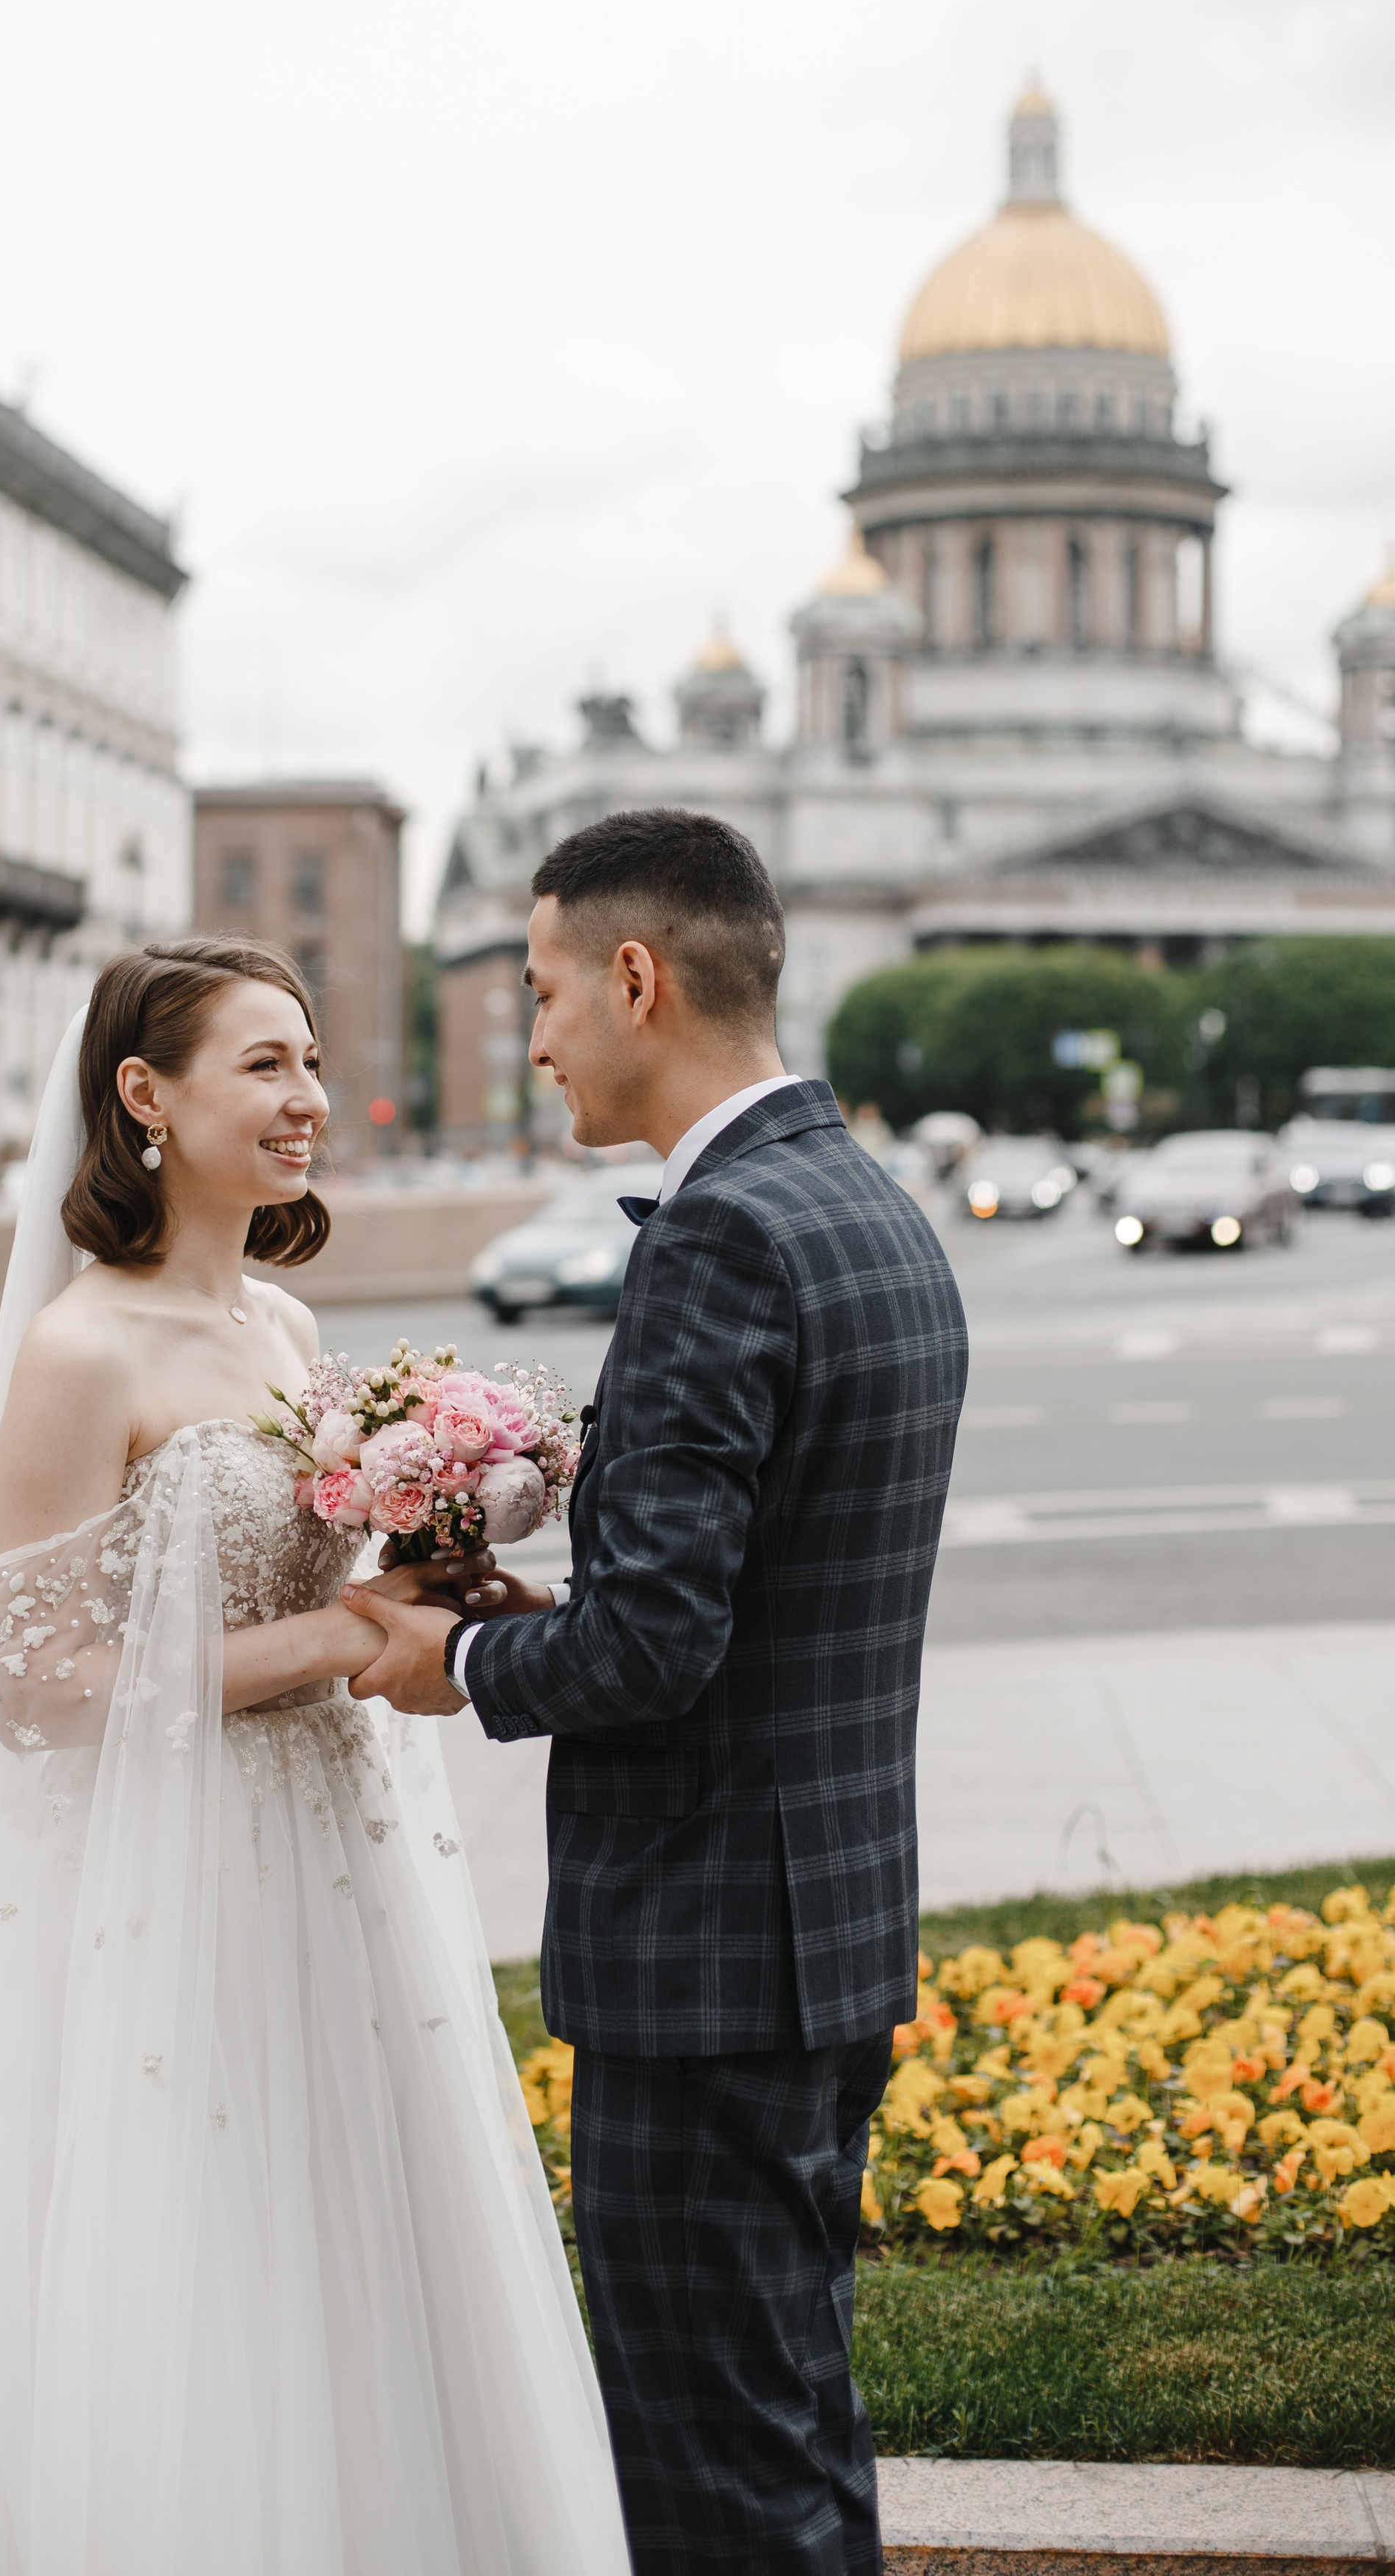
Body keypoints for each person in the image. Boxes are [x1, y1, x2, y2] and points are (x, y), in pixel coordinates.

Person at [0, 940, 629, 2576]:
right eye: (264, 1065)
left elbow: (302, 1580)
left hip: (329, 1858)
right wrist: (334, 1639)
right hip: (164, 1874)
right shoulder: (80, 1349)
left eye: (309, 1060)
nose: (308, 1097)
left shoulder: (285, 1323)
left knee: (352, 2234)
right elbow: (31, 1687)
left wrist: (433, 1582)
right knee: (202, 2252)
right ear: (145, 1096)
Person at [344, 813, 969, 2576]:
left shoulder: (720, 1238)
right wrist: (558, 1603)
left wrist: (456, 1658)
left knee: (709, 2484)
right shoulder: (865, 1205)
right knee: (789, 2428)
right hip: (821, 1934)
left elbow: (653, 1653)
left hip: (701, 1962)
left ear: (635, 977)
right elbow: (748, 1601)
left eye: (543, 991)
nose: (533, 1036)